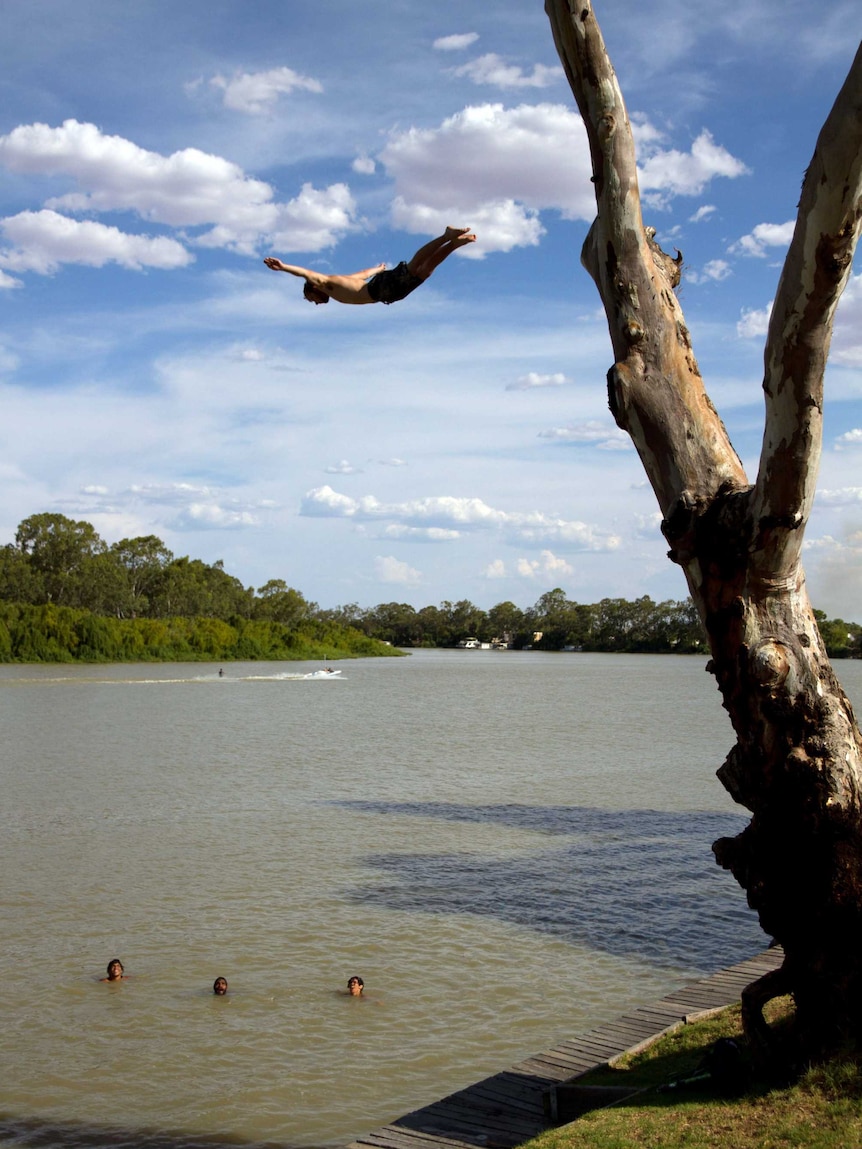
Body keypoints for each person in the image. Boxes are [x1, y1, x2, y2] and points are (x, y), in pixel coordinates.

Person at [264, 227, 476, 306]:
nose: (315, 303)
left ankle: (445, 237)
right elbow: (363, 274)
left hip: (379, 290)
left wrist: (283, 267)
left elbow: (306, 273)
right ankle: (453, 244)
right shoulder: (341, 284)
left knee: (414, 268)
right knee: (424, 273)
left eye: (310, 299)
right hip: (383, 291)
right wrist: (379, 269)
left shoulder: (326, 282)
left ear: (313, 288)